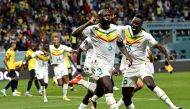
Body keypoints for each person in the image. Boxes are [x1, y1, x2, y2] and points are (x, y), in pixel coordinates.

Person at [72, 9, 132, 109]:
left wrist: (127, 55)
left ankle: (83, 90)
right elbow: (74, 33)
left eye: (109, 15)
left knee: (98, 92)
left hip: (109, 65)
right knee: (109, 87)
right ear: (99, 18)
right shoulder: (93, 29)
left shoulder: (116, 29)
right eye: (105, 15)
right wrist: (88, 23)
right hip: (97, 63)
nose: (108, 17)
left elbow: (121, 44)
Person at [119, 14, 182, 109]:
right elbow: (112, 29)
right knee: (127, 97)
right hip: (129, 68)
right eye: (133, 22)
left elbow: (159, 46)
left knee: (150, 84)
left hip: (141, 66)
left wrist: (166, 55)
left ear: (141, 26)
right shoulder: (126, 30)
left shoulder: (146, 36)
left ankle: (173, 107)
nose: (134, 25)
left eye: (137, 23)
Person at [49, 35, 74, 101]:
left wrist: (79, 50)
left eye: (57, 40)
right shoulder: (50, 47)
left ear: (59, 40)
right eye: (55, 40)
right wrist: (51, 63)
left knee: (66, 80)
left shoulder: (63, 47)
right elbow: (46, 52)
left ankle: (64, 96)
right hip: (56, 67)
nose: (56, 41)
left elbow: (71, 50)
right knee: (60, 84)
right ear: (53, 41)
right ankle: (55, 79)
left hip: (63, 65)